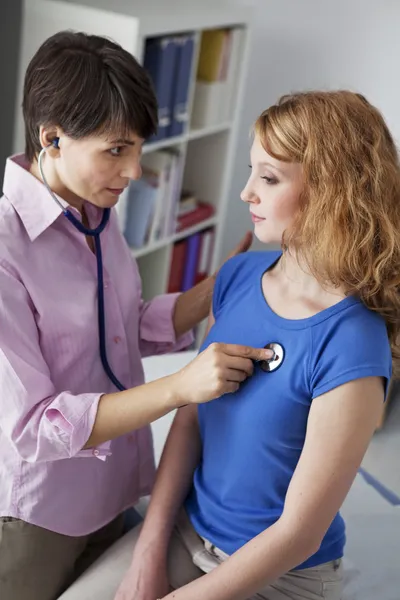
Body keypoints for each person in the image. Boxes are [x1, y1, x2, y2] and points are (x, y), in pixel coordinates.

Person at [0, 31, 272, 600]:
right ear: (53, 137)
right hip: (38, 516)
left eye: (139, 149)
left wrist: (214, 288)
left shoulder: (94, 210)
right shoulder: (7, 249)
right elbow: (34, 426)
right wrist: (181, 387)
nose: (133, 171)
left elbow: (124, 328)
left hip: (114, 488)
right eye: (116, 149)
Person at [111, 90, 400, 600]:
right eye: (251, 172)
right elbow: (192, 417)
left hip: (280, 574)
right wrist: (148, 552)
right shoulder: (238, 277)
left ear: (332, 191)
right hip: (186, 532)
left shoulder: (353, 342)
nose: (246, 193)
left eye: (268, 178)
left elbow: (297, 535)